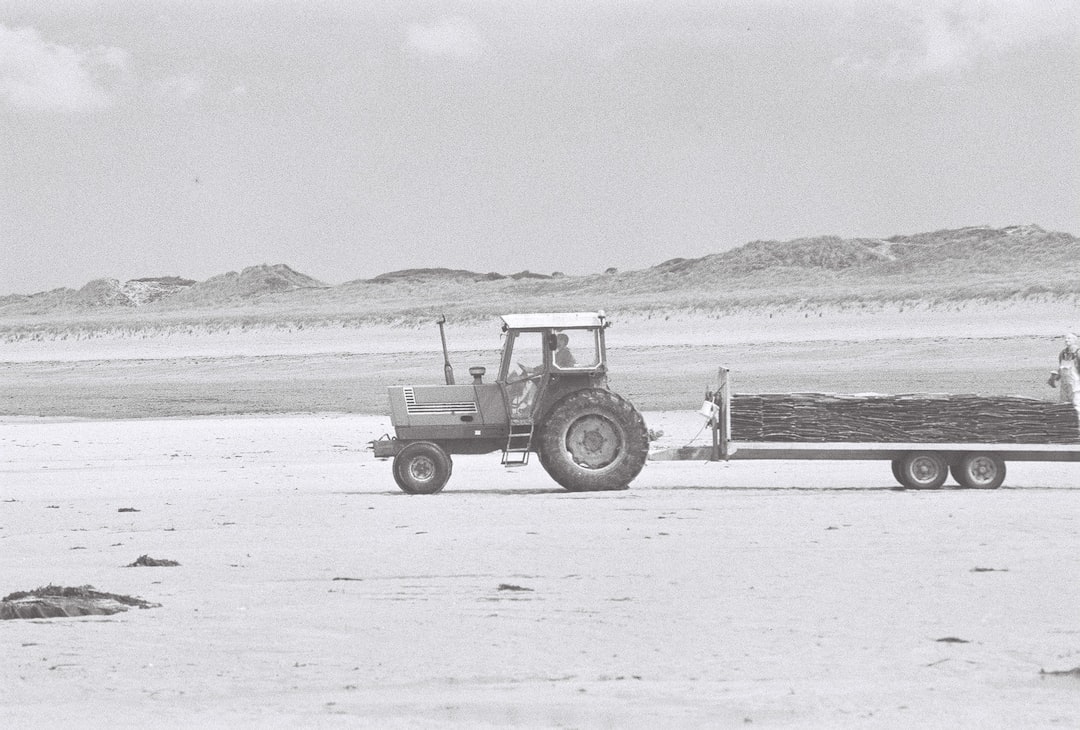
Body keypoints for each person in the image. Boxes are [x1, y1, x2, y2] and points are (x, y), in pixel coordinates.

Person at [1048, 333, 1080, 405]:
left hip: (1076, 382)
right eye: (1065, 338)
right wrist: (1054, 379)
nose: (1066, 340)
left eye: (1069, 338)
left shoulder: (1078, 352)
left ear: (1075, 340)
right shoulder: (1063, 353)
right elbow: (1061, 367)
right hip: (1065, 383)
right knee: (1064, 403)